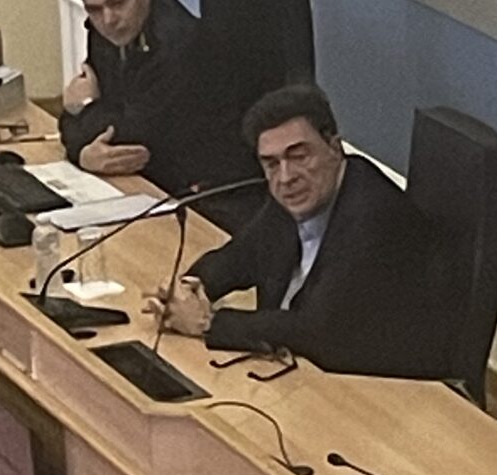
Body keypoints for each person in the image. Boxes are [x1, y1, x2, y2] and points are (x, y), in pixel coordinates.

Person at [149, 81, 455, 378]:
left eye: (299, 156)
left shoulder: (373, 215)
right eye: (271, 163)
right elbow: (242, 255)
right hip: (295, 370)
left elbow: (318, 330)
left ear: (334, 148)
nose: (285, 176)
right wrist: (190, 288)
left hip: (382, 386)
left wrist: (208, 323)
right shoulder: (296, 193)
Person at [60, 0, 248, 198]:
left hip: (197, 187)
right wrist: (82, 153)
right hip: (142, 179)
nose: (108, 19)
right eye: (94, 9)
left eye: (118, 1)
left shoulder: (180, 44)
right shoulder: (104, 30)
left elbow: (130, 138)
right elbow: (102, 128)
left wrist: (82, 107)